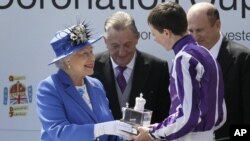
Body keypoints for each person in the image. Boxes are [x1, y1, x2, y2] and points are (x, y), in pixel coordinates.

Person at [134, 2, 226, 141]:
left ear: (166, 32)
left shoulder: (184, 58)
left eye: (154, 34)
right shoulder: (207, 54)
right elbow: (220, 115)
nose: (154, 39)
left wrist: (153, 133)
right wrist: (159, 128)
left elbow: (188, 117)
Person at [36, 22, 134, 141]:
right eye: (84, 54)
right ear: (67, 60)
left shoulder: (96, 85)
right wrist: (101, 129)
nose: (92, 58)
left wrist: (130, 134)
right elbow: (59, 133)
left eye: (91, 51)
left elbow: (110, 136)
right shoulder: (49, 88)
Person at [92, 11, 171, 123]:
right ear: (105, 41)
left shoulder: (157, 68)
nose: (122, 52)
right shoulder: (91, 67)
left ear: (137, 37)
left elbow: (164, 114)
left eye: (127, 45)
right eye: (115, 46)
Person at [187, 2, 250, 140]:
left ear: (217, 25)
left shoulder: (242, 59)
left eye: (200, 30)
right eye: (191, 31)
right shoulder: (186, 59)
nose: (195, 37)